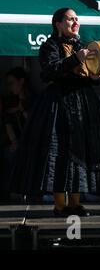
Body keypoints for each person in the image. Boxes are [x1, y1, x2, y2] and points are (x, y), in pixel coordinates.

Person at [10, 8, 100, 216]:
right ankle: (60, 205)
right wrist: (75, 59)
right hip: (59, 102)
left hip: (83, 101)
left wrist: (98, 74)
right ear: (58, 23)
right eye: (70, 19)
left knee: (80, 151)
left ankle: (75, 203)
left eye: (77, 19)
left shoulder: (82, 46)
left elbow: (91, 74)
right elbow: (49, 71)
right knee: (59, 151)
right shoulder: (50, 45)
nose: (75, 23)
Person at [2, 67, 35, 202]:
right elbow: (7, 123)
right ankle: (15, 190)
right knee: (11, 154)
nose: (10, 87)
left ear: (21, 82)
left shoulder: (33, 98)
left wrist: (23, 109)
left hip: (31, 140)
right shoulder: (10, 100)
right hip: (15, 140)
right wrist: (15, 141)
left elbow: (33, 123)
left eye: (12, 83)